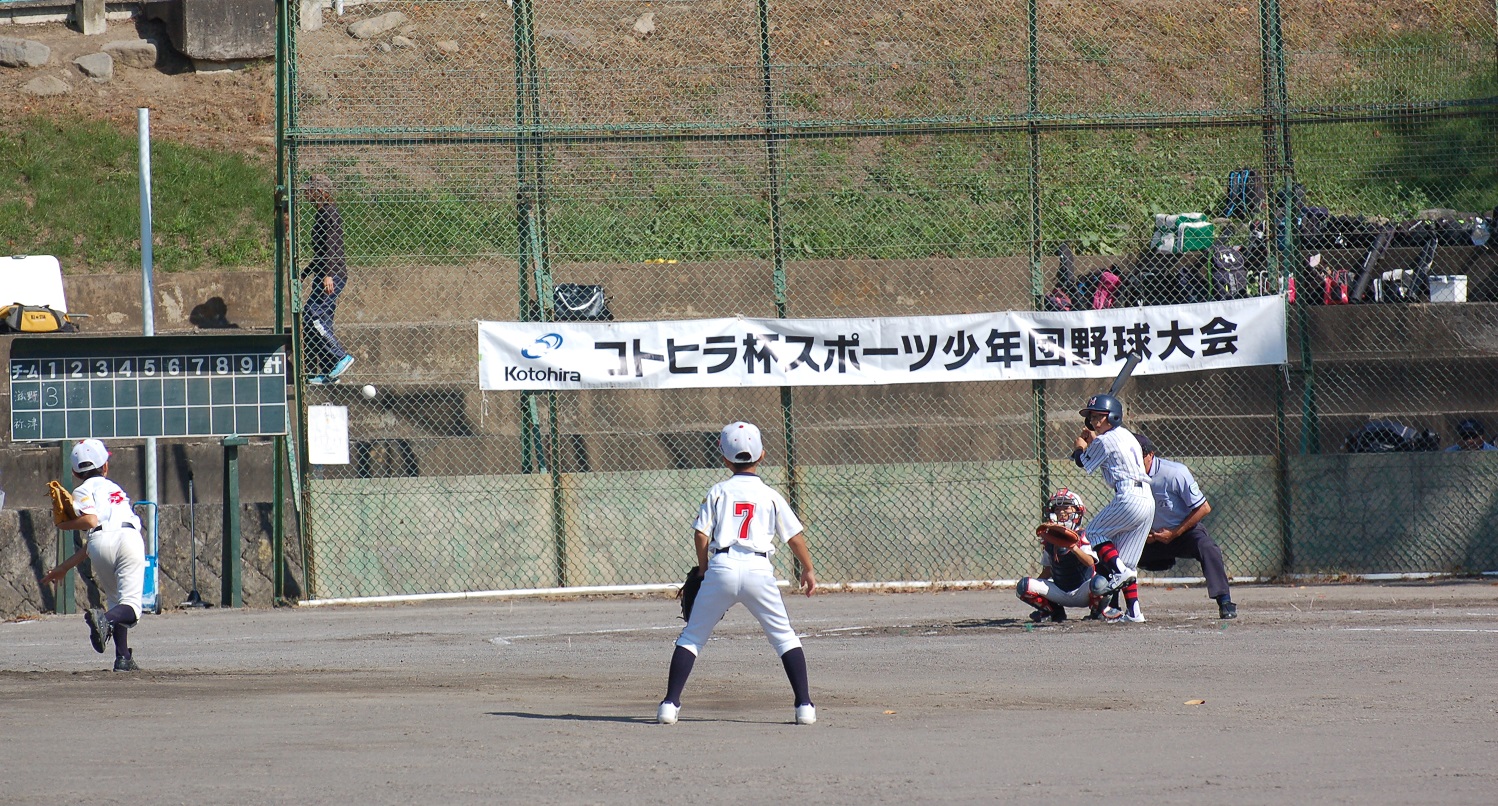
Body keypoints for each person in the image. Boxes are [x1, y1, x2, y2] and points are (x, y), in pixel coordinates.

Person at [657, 421, 819, 726]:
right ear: (763, 455)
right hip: (759, 570)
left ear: (725, 458)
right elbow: (794, 537)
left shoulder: (718, 491)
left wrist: (705, 569)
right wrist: (808, 569)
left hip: (723, 566)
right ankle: (804, 707)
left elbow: (701, 534)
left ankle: (669, 705)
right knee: (784, 638)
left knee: (692, 637)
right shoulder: (770, 494)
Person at [40, 439, 146, 671]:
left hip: (99, 544)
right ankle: (105, 620)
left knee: (116, 600)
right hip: (128, 538)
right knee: (130, 609)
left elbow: (91, 531)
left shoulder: (81, 490)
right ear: (105, 466)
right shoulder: (115, 488)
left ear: (75, 474)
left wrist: (63, 567)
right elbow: (91, 520)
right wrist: (66, 527)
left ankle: (123, 657)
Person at [1071, 393, 1153, 623]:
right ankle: (1135, 612)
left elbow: (1083, 462)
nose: (1096, 421)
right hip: (1147, 498)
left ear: (1114, 416)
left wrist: (1080, 447)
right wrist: (1093, 440)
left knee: (1095, 532)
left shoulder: (1105, 441)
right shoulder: (1126, 436)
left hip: (1129, 495)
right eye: (1093, 417)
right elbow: (1105, 450)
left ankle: (1119, 571)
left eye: (1100, 416)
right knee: (1127, 561)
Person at [1136, 435, 1238, 620]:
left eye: (1139, 456)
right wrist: (1144, 534)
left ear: (1151, 454)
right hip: (1149, 536)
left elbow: (1203, 508)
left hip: (1182, 532)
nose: (1134, 462)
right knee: (1112, 552)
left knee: (1208, 548)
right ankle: (1106, 607)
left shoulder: (1174, 473)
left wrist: (1174, 533)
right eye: (1130, 457)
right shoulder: (1126, 475)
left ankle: (1224, 600)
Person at [1016, 488, 1101, 623]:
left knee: (1100, 583)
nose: (1061, 512)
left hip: (1083, 590)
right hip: (1060, 591)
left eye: (1066, 508)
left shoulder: (1084, 535)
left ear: (1077, 512)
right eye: (1057, 509)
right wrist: (1036, 588)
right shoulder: (1050, 538)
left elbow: (1090, 562)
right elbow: (1049, 569)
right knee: (1024, 586)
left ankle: (1097, 612)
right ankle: (1053, 612)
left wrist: (1073, 547)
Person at [301, 174, 354, 384]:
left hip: (331, 276)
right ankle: (329, 369)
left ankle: (341, 356)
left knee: (313, 316)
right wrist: (307, 271)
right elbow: (322, 251)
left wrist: (329, 273)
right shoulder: (322, 213)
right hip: (324, 274)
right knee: (318, 321)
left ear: (320, 192)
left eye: (309, 190)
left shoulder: (329, 213)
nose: (306, 194)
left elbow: (333, 245)